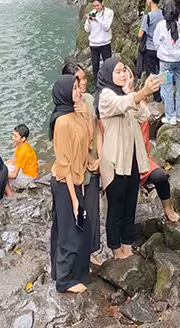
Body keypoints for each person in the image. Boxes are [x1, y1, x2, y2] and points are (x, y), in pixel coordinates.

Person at [95, 57, 161, 258]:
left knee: (131, 202)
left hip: (131, 158)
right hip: (114, 161)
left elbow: (144, 115)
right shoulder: (106, 96)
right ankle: (115, 249)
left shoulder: (126, 94)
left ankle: (127, 244)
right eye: (118, 72)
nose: (123, 74)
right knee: (116, 205)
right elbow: (121, 105)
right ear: (108, 75)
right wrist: (142, 92)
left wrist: (136, 95)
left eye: (124, 71)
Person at [49, 73, 97, 293]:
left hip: (77, 180)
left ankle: (71, 272)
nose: (79, 91)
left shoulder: (76, 114)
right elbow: (64, 163)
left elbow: (87, 142)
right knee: (70, 231)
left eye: (79, 87)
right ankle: (64, 281)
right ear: (64, 93)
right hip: (64, 182)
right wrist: (74, 198)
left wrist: (86, 116)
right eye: (75, 88)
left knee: (75, 228)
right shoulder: (61, 122)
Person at [62, 60, 102, 257]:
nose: (84, 84)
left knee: (93, 209)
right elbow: (74, 143)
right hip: (77, 168)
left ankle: (92, 249)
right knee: (78, 209)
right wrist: (88, 158)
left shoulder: (87, 99)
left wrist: (99, 158)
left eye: (85, 79)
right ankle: (79, 253)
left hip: (94, 162)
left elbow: (96, 130)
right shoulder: (65, 109)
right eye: (79, 80)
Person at [153, 0, 180, 125]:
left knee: (166, 87)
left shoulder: (161, 25)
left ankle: (170, 116)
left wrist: (163, 51)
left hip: (164, 61)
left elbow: (156, 42)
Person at [138, 120, 179, 222]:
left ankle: (168, 208)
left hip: (140, 160)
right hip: (117, 161)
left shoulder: (140, 116)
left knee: (160, 176)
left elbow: (143, 146)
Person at [84, 0, 114, 79]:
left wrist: (96, 20)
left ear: (102, 3)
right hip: (94, 44)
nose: (96, 8)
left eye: (97, 5)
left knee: (108, 65)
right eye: (94, 6)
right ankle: (97, 86)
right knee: (95, 67)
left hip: (105, 43)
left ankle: (109, 83)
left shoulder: (109, 12)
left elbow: (106, 27)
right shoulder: (92, 13)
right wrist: (88, 21)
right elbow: (87, 29)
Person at [136, 0, 162, 76]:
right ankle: (163, 88)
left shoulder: (148, 16)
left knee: (151, 73)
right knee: (162, 71)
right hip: (162, 48)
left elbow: (140, 34)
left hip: (150, 48)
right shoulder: (164, 14)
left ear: (150, 2)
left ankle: (154, 88)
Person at [7, 124, 39, 190]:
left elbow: (14, 175)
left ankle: (9, 193)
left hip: (27, 179)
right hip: (27, 174)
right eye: (13, 135)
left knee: (1, 174)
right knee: (2, 168)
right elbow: (12, 162)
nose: (13, 138)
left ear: (23, 138)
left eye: (15, 136)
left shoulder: (23, 151)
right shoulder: (22, 145)